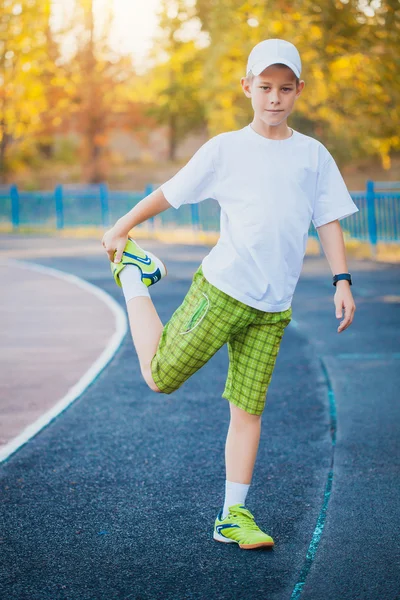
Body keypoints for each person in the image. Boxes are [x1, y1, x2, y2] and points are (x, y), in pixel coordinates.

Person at [102, 38, 358, 550]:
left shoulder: (313, 156)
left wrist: (342, 279)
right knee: (159, 378)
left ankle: (232, 515)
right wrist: (122, 228)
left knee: (249, 409)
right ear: (247, 88)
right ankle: (135, 275)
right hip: (221, 291)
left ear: (299, 91)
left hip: (272, 309)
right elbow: (170, 192)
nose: (274, 98)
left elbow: (327, 217)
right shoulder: (225, 149)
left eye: (285, 88)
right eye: (264, 87)